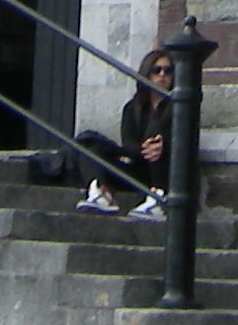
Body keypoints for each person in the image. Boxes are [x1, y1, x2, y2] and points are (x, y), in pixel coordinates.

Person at [72, 48, 174, 219]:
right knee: (89, 142)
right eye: (156, 70)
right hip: (138, 167)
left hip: (165, 169)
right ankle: (99, 192)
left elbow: (188, 143)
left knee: (158, 142)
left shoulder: (178, 106)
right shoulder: (133, 108)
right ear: (147, 74)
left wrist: (164, 146)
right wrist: (143, 150)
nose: (162, 75)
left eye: (168, 70)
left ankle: (159, 198)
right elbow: (128, 143)